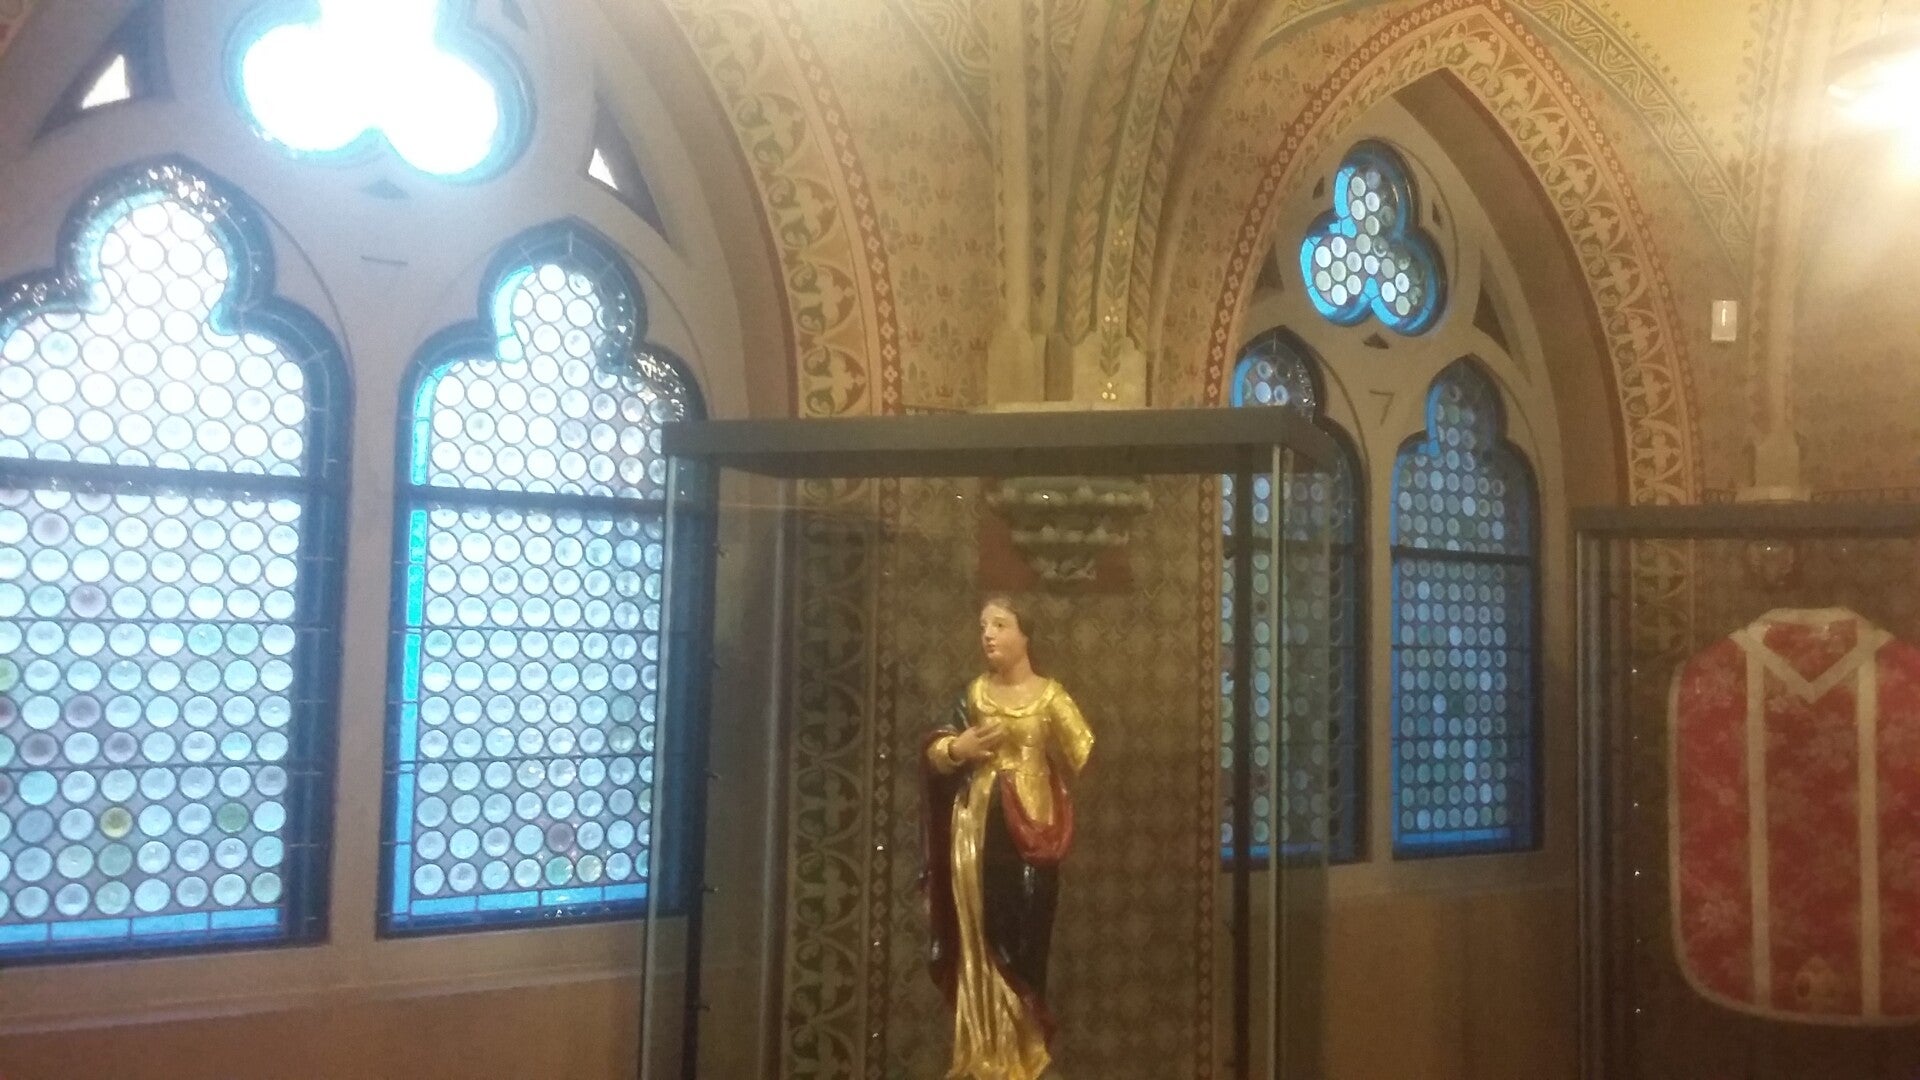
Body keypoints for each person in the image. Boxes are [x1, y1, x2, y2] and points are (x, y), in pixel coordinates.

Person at [921, 594, 1094, 1080]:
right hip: (976, 836)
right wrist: (957, 748)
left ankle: (1025, 1054)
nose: (988, 635)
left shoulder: (1050, 697)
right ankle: (985, 1054)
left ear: (1025, 634)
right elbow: (935, 750)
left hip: (1035, 833)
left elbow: (1084, 748)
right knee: (981, 935)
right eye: (984, 626)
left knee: (1026, 937)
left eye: (1000, 624)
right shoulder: (974, 696)